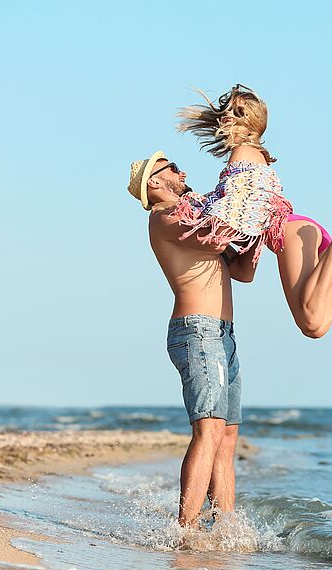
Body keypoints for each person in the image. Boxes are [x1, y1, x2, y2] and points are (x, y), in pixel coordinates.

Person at [174, 84, 332, 338]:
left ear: (253, 123)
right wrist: (219, 257)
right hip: (299, 230)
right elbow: (245, 272)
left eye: (238, 112)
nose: (228, 115)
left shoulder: (241, 153)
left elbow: (236, 208)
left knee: (309, 318)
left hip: (289, 232)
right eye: (228, 110)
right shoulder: (254, 155)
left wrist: (195, 218)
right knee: (316, 325)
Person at [127, 151, 254, 529]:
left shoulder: (195, 217)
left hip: (223, 334)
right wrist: (243, 203)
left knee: (227, 438)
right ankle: (187, 531)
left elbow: (243, 270)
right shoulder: (165, 217)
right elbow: (216, 241)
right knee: (209, 430)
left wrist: (261, 228)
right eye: (173, 169)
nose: (183, 173)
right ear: (155, 182)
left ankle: (225, 530)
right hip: (197, 331)